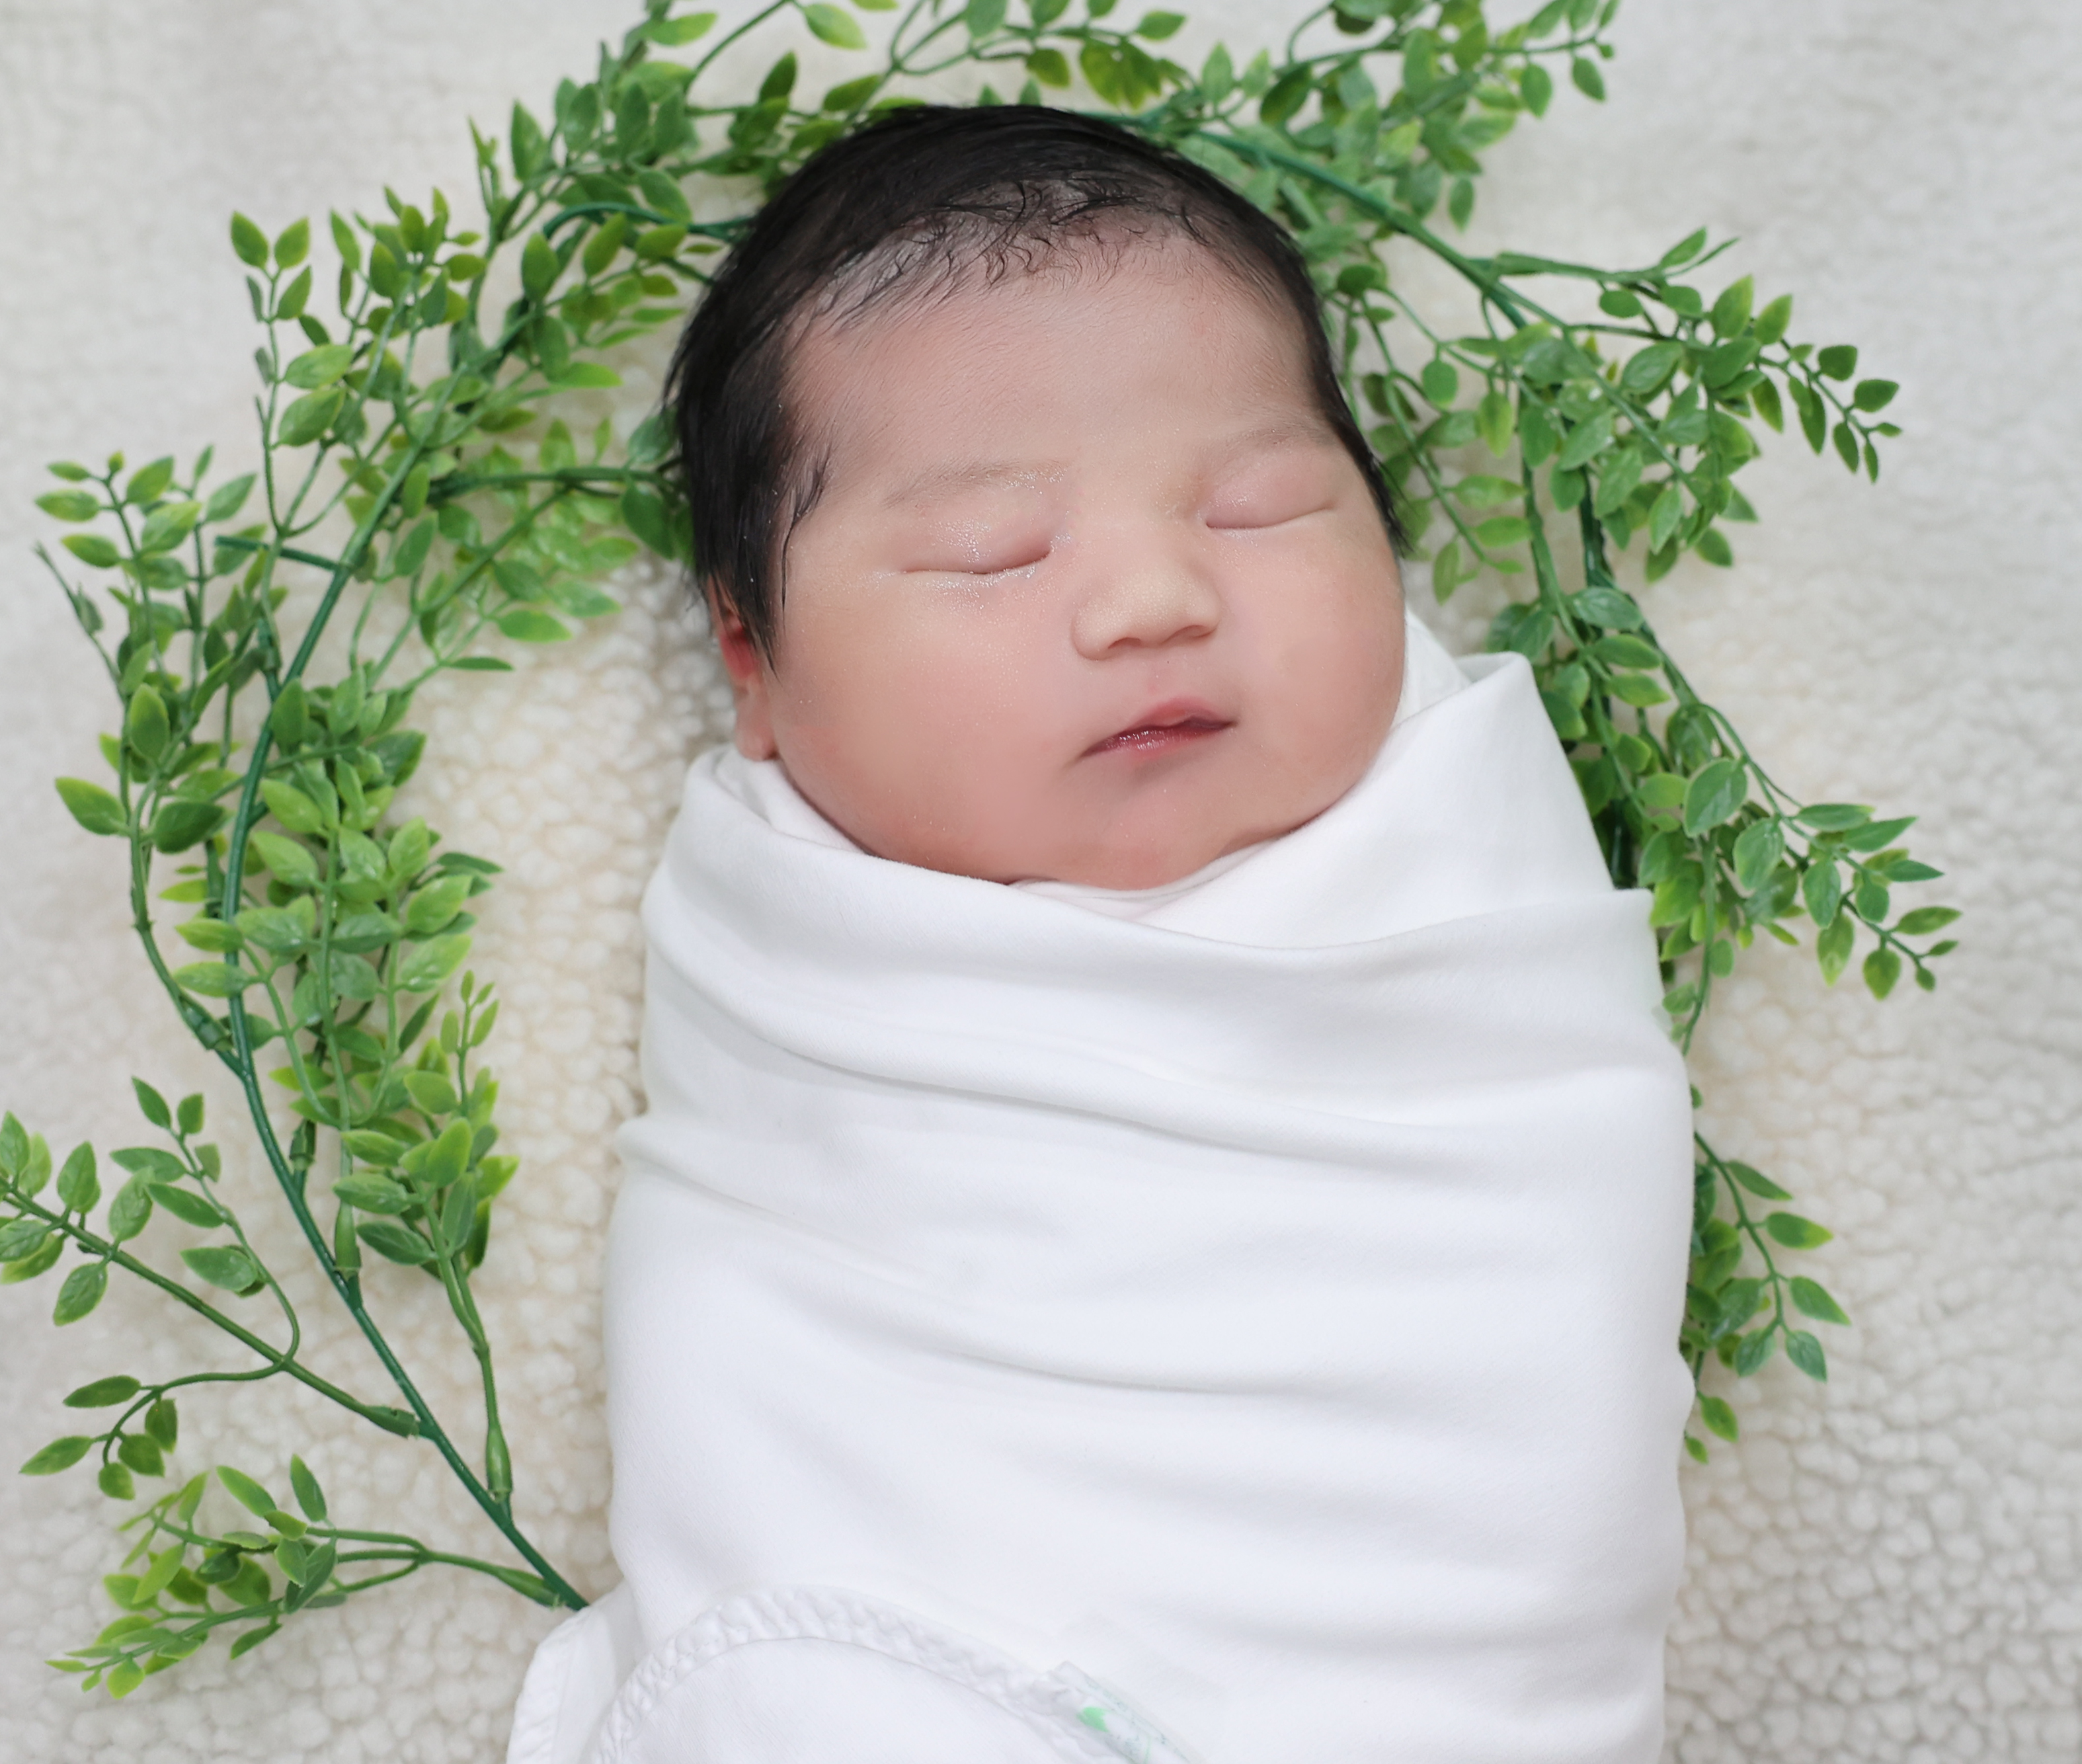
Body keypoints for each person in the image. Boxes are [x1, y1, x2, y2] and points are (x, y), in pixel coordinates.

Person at [508, 103, 1693, 1764]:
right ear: (751, 659)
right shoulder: (789, 946)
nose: (1154, 600)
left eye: (1258, 509)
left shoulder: (1468, 857)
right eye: (990, 551)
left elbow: (1546, 1278)